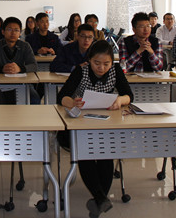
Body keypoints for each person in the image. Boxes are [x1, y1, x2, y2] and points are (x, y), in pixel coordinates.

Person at [57, 40, 133, 217]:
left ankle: (100, 200)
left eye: (106, 63)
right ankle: (100, 199)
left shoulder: (116, 71)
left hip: (104, 126)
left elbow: (129, 95)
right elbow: (62, 96)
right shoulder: (81, 70)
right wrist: (72, 102)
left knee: (106, 153)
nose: (101, 68)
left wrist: (119, 100)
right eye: (96, 63)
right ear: (89, 60)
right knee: (85, 150)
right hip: (79, 127)